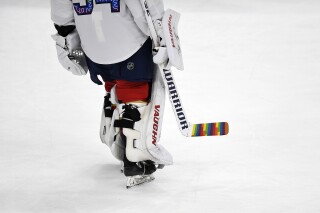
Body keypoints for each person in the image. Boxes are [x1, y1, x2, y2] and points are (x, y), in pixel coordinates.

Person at [51, 0, 173, 188]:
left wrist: (66, 41)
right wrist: (161, 34)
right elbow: (143, 6)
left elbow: (62, 15)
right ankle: (136, 150)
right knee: (135, 84)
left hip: (93, 46)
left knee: (115, 79)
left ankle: (117, 126)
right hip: (128, 41)